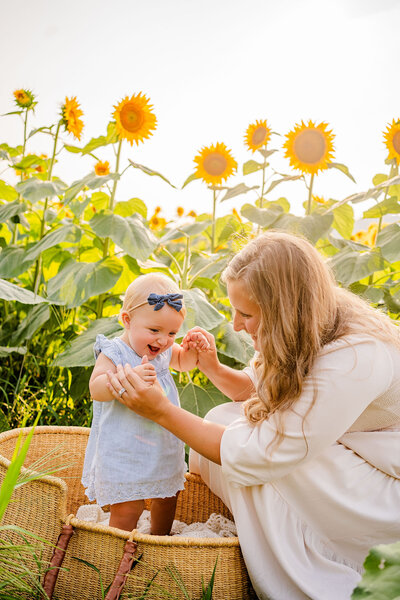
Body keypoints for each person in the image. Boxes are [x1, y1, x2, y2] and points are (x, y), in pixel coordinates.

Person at [105, 232, 400, 600]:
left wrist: (162, 411)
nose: (235, 325)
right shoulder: (315, 317)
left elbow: (264, 452)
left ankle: (314, 560)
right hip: (344, 453)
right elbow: (262, 390)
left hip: (385, 495)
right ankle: (264, 522)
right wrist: (212, 368)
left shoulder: (357, 356)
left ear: (284, 310)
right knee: (222, 417)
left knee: (241, 445)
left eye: (245, 314)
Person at [81, 273, 209, 534]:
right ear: (127, 320)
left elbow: (183, 363)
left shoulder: (161, 350)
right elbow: (96, 389)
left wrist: (194, 349)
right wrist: (124, 378)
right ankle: (119, 549)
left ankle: (158, 541)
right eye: (155, 330)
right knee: (128, 506)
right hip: (125, 447)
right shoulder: (115, 352)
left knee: (167, 495)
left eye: (172, 333)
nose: (163, 340)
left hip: (162, 442)